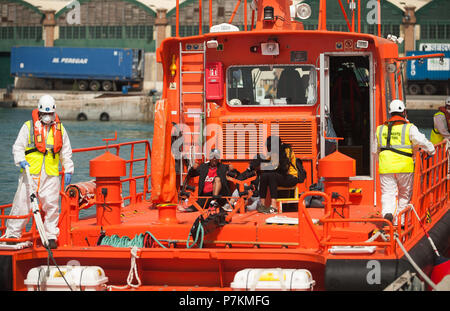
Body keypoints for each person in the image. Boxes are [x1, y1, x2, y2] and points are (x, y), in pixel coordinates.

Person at [5, 95, 74, 249]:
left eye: (50, 114)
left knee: (51, 207)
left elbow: (66, 152)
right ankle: (12, 234)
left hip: (50, 175)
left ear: (54, 113)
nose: (48, 117)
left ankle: (50, 237)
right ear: (40, 112)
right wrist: (20, 160)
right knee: (21, 204)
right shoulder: (28, 127)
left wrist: (68, 169)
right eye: (45, 114)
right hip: (30, 173)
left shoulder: (60, 130)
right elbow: (18, 147)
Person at [374, 99, 435, 225]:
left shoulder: (380, 129)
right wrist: (432, 150)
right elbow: (422, 141)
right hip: (405, 167)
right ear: (404, 112)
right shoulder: (409, 128)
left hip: (385, 167)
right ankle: (400, 222)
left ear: (390, 113)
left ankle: (387, 213)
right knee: (404, 195)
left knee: (387, 193)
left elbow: (375, 150)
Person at [257, 136, 299, 214]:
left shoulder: (287, 151)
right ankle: (262, 204)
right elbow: (266, 166)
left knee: (272, 175)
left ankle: (273, 205)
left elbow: (284, 168)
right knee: (264, 176)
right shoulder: (273, 153)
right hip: (280, 177)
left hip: (291, 177)